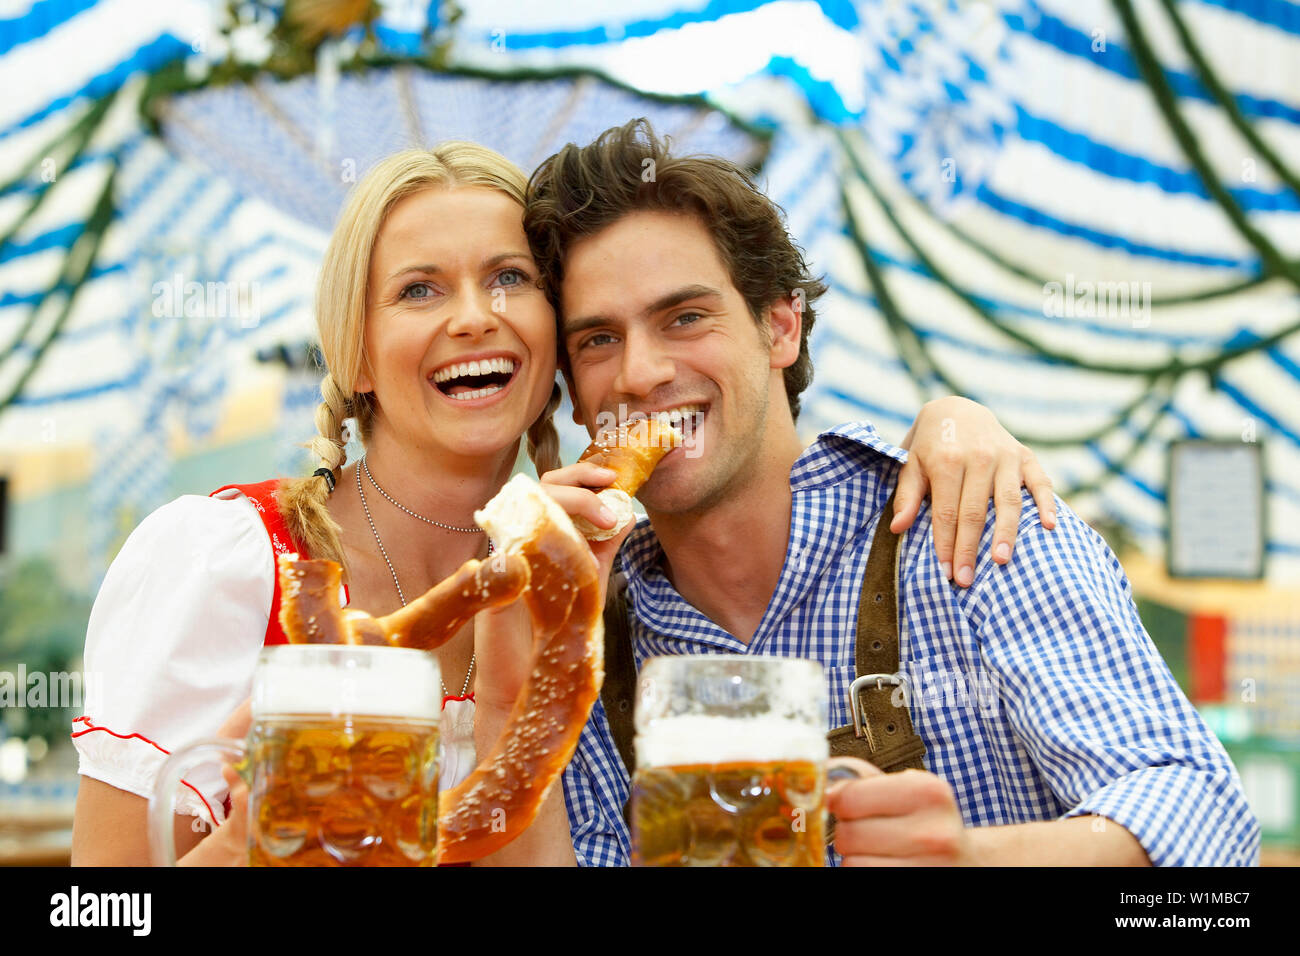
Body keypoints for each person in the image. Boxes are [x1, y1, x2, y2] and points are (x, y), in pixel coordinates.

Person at [69, 141, 1050, 866]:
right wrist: (246, 837)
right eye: (418, 289)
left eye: (510, 279)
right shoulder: (227, 558)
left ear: (558, 352)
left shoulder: (605, 586)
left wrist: (951, 419)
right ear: (354, 353)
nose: (473, 314)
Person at [527, 119, 1260, 867]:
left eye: (685, 317)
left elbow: (1199, 811)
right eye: (598, 340)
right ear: (577, 401)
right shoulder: (578, 637)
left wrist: (972, 859)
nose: (641, 373)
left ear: (781, 327)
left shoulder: (971, 527)